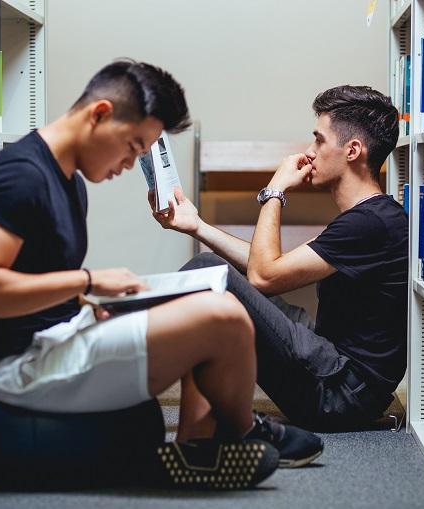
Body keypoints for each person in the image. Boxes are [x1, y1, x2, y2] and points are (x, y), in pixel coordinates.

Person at [0, 59, 323, 490]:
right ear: (100, 114)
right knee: (224, 318)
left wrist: (89, 303)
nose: (130, 163)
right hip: (17, 367)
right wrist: (87, 283)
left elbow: (32, 277)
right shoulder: (19, 177)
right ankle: (240, 433)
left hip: (57, 337)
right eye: (132, 145)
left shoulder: (65, 176)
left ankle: (197, 447)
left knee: (208, 294)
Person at [150, 85, 408, 432]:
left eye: (319, 140)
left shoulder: (371, 223)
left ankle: (130, 365)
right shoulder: (369, 218)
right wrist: (197, 226)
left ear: (353, 150)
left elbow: (262, 277)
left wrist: (275, 191)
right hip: (330, 365)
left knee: (204, 272)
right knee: (211, 272)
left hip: (338, 395)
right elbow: (271, 267)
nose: (310, 152)